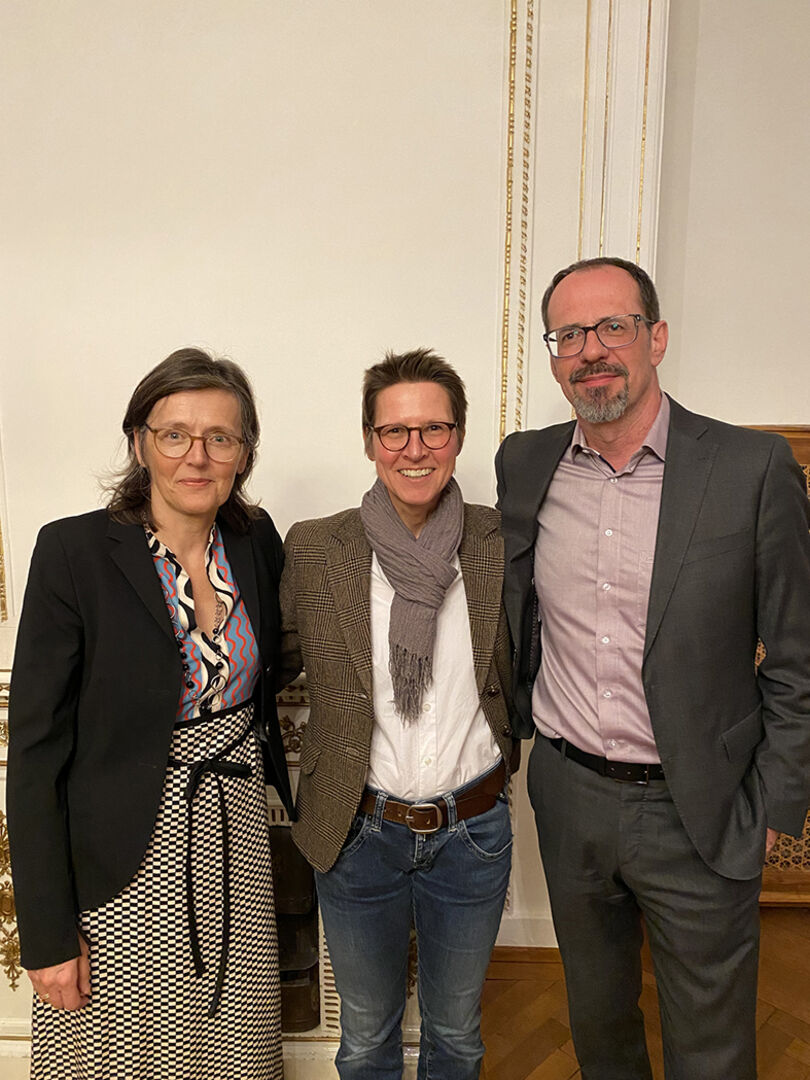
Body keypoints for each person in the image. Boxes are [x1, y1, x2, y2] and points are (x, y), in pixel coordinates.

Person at [495, 257, 810, 1080]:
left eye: (613, 327)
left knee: (711, 1048)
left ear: (656, 338)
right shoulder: (524, 464)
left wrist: (777, 803)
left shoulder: (751, 469)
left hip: (698, 806)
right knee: (598, 1028)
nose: (591, 350)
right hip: (568, 797)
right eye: (570, 334)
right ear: (554, 353)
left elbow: (797, 653)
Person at [7, 348, 294, 1080]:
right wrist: (44, 931)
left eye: (220, 438)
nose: (197, 456)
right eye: (175, 434)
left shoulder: (256, 541)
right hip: (119, 858)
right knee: (114, 1055)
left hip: (235, 842)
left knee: (236, 1050)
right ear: (140, 443)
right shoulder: (73, 551)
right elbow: (36, 750)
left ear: (244, 452)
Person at [278, 349, 516, 1079]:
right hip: (357, 831)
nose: (415, 449)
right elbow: (265, 659)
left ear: (459, 437)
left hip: (471, 832)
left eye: (433, 429)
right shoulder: (317, 548)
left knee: (456, 1036)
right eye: (395, 431)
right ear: (369, 439)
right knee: (366, 1038)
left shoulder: (500, 543)